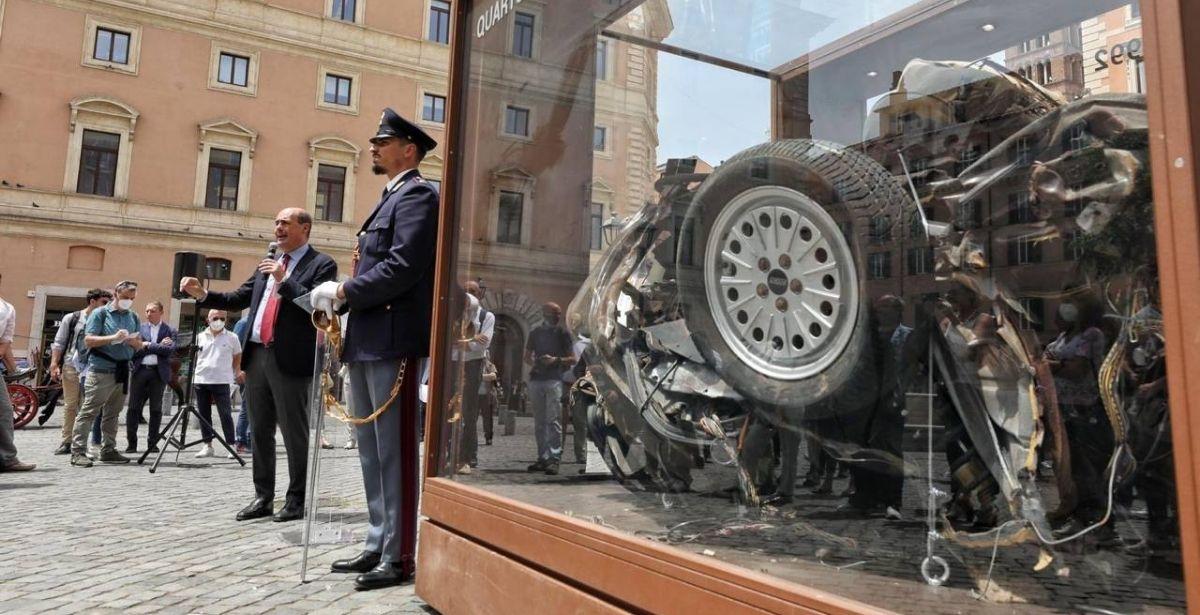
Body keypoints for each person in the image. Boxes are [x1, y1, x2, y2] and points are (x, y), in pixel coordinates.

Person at [311, 108, 439, 590]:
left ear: (409, 149)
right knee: (369, 450)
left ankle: (400, 554)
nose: (373, 147)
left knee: (395, 451)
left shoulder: (418, 196)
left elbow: (404, 265)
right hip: (367, 339)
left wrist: (345, 292)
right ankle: (378, 539)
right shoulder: (389, 199)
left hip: (393, 339)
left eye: (382, 141)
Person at [180, 207, 337, 522]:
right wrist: (203, 294)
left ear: (304, 228)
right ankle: (262, 497)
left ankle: (295, 500)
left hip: (289, 357)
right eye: (276, 221)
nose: (277, 227)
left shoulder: (322, 264)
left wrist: (285, 279)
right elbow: (239, 298)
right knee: (259, 430)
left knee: (294, 432)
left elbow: (317, 306)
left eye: (285, 223)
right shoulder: (269, 262)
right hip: (256, 354)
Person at [70, 280, 144, 467]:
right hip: (101, 370)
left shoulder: (133, 316)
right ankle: (77, 451)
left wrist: (134, 343)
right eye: (125, 297)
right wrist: (113, 338)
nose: (128, 301)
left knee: (113, 414)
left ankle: (108, 449)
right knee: (89, 412)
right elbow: (89, 340)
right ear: (116, 294)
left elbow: (140, 344)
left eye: (132, 298)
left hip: (122, 370)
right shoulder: (100, 314)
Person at [47, 288, 111, 454]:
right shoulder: (73, 318)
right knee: (70, 405)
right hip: (71, 365)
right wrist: (54, 364)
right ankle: (66, 441)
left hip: (94, 367)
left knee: (87, 406)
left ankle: (80, 443)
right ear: (92, 301)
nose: (107, 306)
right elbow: (59, 342)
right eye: (104, 302)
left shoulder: (106, 320)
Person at [524, 302, 575, 476]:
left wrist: (555, 360)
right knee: (539, 422)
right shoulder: (535, 333)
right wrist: (536, 364)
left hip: (555, 379)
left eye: (559, 313)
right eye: (555, 313)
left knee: (553, 420)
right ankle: (542, 457)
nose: (557, 316)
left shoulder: (562, 333)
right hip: (537, 379)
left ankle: (554, 458)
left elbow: (572, 358)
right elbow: (527, 357)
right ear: (545, 313)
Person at [452, 281, 493, 472]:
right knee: (451, 410)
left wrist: (461, 342)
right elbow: (447, 341)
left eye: (473, 292)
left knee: (469, 412)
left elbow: (481, 346)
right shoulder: (454, 314)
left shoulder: (486, 316)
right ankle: (450, 453)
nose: (469, 295)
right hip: (452, 364)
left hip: (472, 366)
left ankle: (469, 455)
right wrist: (470, 340)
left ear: (480, 294)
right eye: (466, 291)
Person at [125, 301, 176, 452]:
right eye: (147, 311)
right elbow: (134, 351)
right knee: (133, 408)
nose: (148, 314)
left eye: (152, 311)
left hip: (158, 373)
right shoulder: (138, 329)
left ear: (161, 312)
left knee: (155, 409)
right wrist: (158, 346)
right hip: (140, 371)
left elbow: (170, 351)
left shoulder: (170, 330)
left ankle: (152, 443)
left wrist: (147, 345)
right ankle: (131, 444)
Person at [193, 310, 242, 459]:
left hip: (222, 380)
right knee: (203, 414)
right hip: (201, 379)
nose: (219, 320)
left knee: (225, 414)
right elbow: (196, 356)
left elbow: (237, 355)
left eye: (222, 318)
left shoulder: (232, 337)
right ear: (208, 319)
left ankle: (231, 445)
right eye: (215, 318)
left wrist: (235, 371)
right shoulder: (199, 337)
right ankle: (207, 445)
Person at [0, 272, 36, 472]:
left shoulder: (7, 309)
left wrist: (13, 369)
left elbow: (5, 342)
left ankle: (6, 458)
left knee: (4, 410)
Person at [232, 316, 253, 454]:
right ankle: (241, 440)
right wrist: (238, 370)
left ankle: (251, 440)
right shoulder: (244, 323)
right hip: (246, 371)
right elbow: (235, 350)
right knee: (247, 407)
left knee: (256, 407)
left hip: (259, 370)